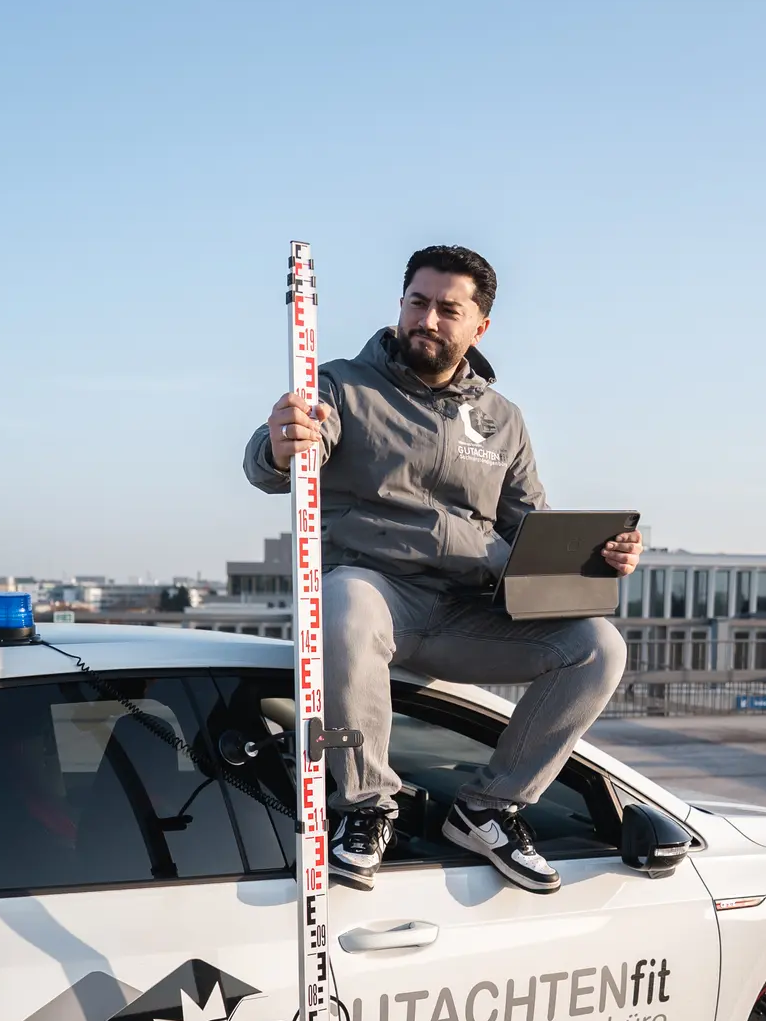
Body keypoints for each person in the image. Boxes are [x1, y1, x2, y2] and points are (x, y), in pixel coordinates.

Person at [243, 244, 642, 894]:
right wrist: (280, 444)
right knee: (343, 601)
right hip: (372, 596)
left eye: (447, 310)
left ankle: (488, 808)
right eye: (417, 303)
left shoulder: (500, 419)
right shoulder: (341, 385)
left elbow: (529, 528)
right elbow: (271, 460)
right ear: (400, 305)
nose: (427, 320)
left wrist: (604, 555)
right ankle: (367, 808)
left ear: (480, 326)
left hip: (465, 613)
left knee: (598, 646)